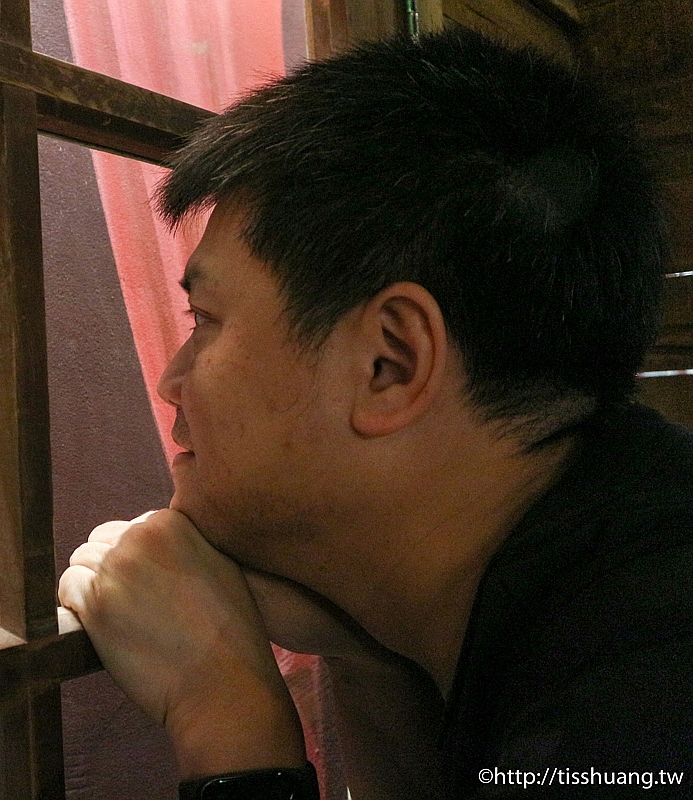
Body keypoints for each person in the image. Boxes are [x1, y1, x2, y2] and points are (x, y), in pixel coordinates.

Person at [58, 27, 693, 799]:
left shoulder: (635, 705)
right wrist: (373, 650)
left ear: (389, 363)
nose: (171, 382)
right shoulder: (619, 540)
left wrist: (227, 722)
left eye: (205, 321)